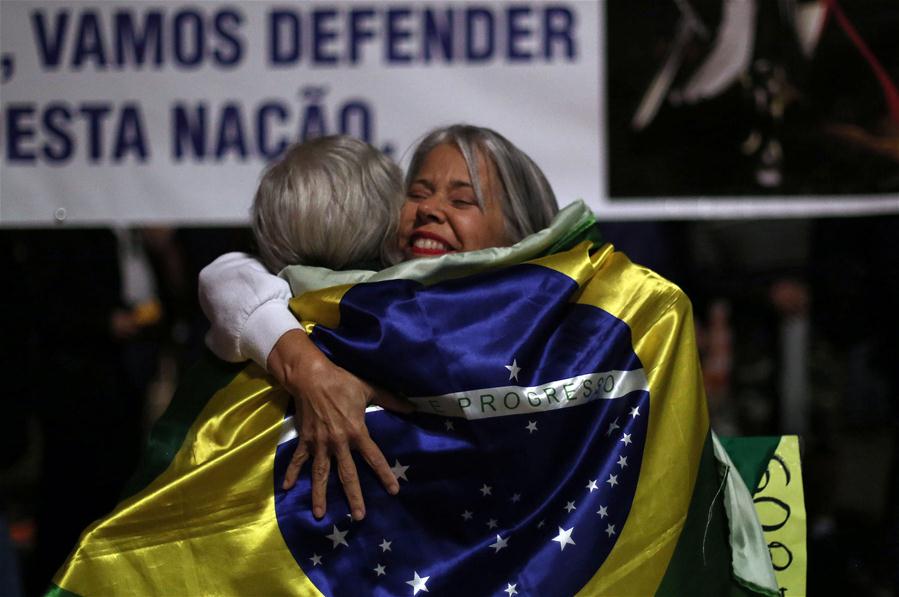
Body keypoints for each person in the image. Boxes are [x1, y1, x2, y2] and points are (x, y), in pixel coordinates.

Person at [199, 124, 559, 520]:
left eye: (462, 200)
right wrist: (307, 367)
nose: (429, 208)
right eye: (418, 193)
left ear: (522, 230)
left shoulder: (555, 331)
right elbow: (227, 275)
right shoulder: (352, 300)